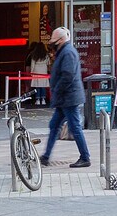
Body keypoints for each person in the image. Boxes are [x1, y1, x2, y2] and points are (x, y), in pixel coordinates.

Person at [39, 26, 91, 170]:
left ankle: (85, 157)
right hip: (65, 98)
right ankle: (46, 156)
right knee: (54, 125)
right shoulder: (65, 51)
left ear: (61, 40)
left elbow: (68, 75)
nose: (52, 45)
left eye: (54, 42)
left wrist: (56, 90)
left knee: (74, 127)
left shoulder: (67, 53)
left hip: (69, 98)